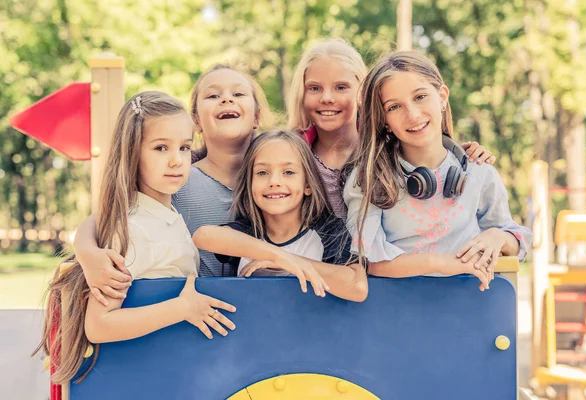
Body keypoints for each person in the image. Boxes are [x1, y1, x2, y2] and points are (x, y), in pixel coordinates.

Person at [33, 92, 236, 388]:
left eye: (184, 148)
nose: (176, 160)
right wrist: (182, 308)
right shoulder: (132, 227)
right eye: (160, 148)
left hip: (170, 372)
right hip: (142, 377)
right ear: (132, 152)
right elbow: (99, 325)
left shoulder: (166, 213)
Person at [73, 65, 272, 308]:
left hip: (265, 307)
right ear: (196, 120)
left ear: (258, 116)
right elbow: (114, 213)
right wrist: (86, 252)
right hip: (198, 315)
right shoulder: (177, 179)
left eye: (238, 94)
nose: (227, 99)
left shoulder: (281, 180)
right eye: (213, 95)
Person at [344, 51, 532, 290]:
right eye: (394, 107)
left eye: (420, 96)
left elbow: (518, 242)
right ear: (383, 120)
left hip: (468, 307)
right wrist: (443, 264)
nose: (412, 114)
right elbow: (370, 262)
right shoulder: (369, 179)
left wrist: (498, 237)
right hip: (397, 311)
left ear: (442, 97)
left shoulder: (478, 171)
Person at [287, 38, 496, 219]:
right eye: (314, 88)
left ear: (362, 94)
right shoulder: (288, 153)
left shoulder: (391, 150)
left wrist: (460, 152)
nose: (327, 98)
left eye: (341, 87)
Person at [193, 130, 368, 302]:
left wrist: (292, 263)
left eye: (288, 172)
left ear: (308, 184)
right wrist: (277, 256)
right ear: (250, 184)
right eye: (262, 173)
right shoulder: (249, 232)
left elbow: (357, 287)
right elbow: (204, 236)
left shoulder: (328, 229)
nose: (274, 181)